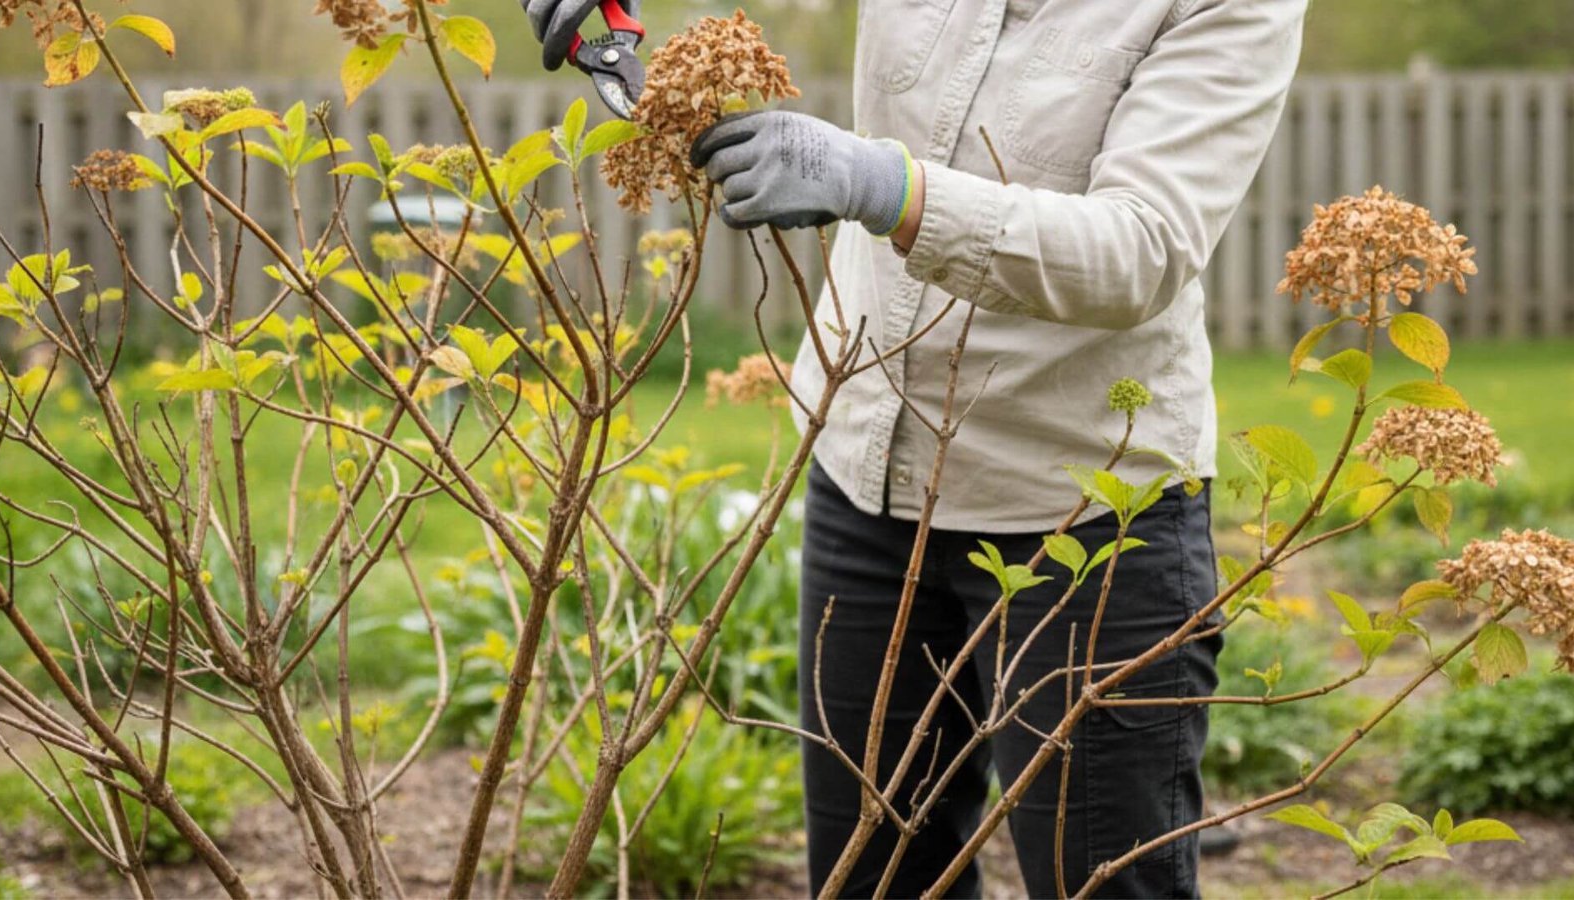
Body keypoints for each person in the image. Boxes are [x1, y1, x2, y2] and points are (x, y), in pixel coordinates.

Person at [522, 1, 1308, 896]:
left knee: (1102, 884)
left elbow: (1142, 248)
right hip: (866, 479)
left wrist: (884, 186)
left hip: (1084, 516)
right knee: (873, 878)